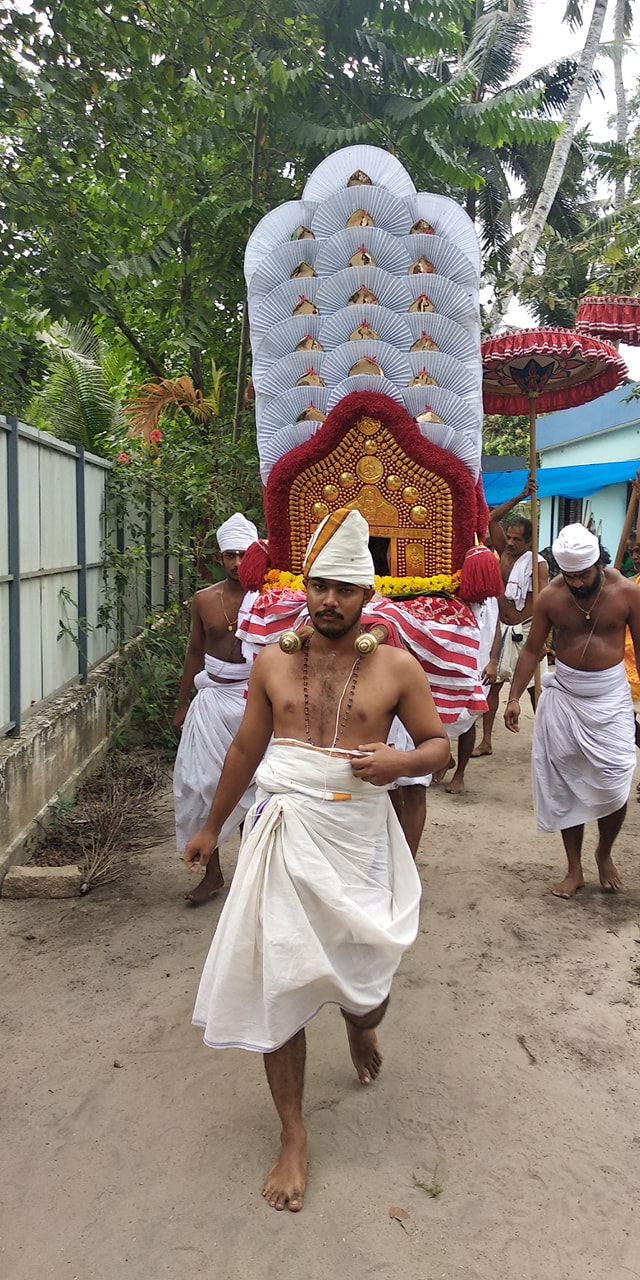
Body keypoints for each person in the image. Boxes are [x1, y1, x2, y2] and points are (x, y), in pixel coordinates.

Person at [184, 509, 450, 1212]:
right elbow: (246, 749)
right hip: (283, 830)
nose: (330, 601)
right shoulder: (272, 659)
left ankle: (360, 1023)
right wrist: (214, 825)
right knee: (281, 981)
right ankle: (294, 1134)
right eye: (321, 586)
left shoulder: (396, 666)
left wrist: (400, 761)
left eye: (346, 590)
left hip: (359, 836)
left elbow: (436, 747)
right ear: (305, 586)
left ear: (369, 597)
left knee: (369, 988)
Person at [504, 523, 640, 899]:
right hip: (564, 696)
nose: (577, 583)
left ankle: (604, 852)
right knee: (564, 783)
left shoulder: (627, 593)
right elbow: (532, 649)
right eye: (570, 575)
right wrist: (514, 696)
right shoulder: (551, 596)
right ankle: (574, 867)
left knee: (615, 779)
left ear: (599, 562)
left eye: (583, 574)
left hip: (610, 698)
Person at [173, 512, 258, 905]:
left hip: (252, 702)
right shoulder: (205, 599)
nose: (238, 563)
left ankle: (253, 877)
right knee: (204, 785)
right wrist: (182, 704)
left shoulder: (270, 600)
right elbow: (194, 651)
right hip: (209, 701)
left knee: (253, 790)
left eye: (244, 554)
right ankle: (214, 874)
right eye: (230, 556)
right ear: (220, 558)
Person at [472, 485, 548, 757]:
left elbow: (543, 603)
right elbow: (491, 519)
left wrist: (541, 640)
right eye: (511, 537)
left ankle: (545, 741)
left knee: (533, 689)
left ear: (529, 542)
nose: (512, 542)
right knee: (492, 684)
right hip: (502, 628)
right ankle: (487, 741)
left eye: (518, 539)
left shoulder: (537, 564)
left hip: (527, 629)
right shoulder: (503, 552)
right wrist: (520, 496)